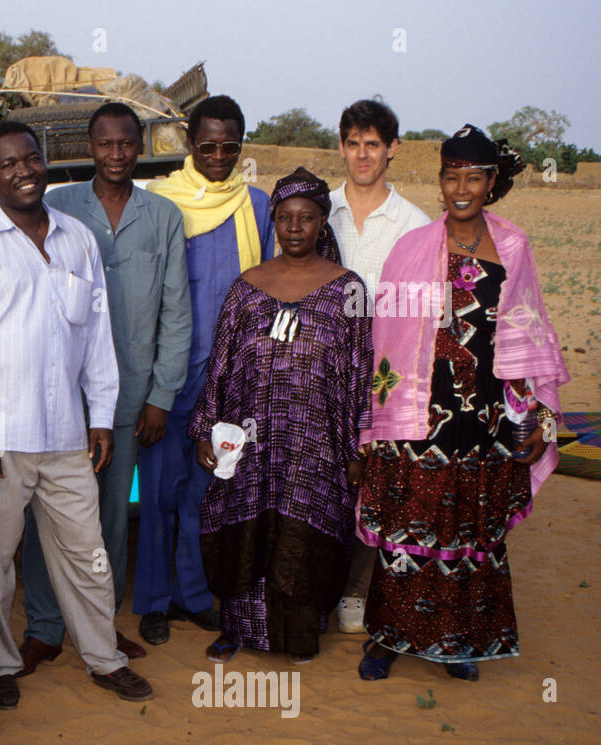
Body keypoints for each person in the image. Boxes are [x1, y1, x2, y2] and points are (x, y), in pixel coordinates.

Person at [0, 120, 154, 709]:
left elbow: (96, 338)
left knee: (86, 551)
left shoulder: (78, 239)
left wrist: (102, 416)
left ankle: (104, 658)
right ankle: (0, 663)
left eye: (30, 158)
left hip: (66, 436)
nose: (23, 171)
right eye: (8, 164)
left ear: (44, 162)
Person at [357, 124, 569, 682]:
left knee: (471, 529)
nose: (460, 188)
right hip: (420, 409)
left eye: (473, 177)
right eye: (451, 176)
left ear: (491, 182)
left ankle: (460, 641)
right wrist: (380, 416)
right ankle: (386, 638)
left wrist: (539, 418)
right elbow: (388, 337)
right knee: (410, 520)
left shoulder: (514, 246)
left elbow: (531, 333)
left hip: (489, 414)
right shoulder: (412, 247)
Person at [18, 102, 191, 675]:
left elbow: (176, 312)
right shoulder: (59, 206)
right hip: (59, 400)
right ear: (88, 148)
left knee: (112, 520)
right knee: (48, 520)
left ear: (138, 146)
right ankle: (44, 627)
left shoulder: (162, 216)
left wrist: (161, 395)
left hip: (127, 400)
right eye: (105, 144)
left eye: (125, 144)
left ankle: (101, 624)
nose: (116, 154)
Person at [190, 168, 371, 663]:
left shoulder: (346, 290)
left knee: (303, 535)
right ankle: (235, 627)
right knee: (244, 529)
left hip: (316, 446)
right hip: (249, 445)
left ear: (321, 222)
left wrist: (358, 448)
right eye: (286, 218)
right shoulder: (248, 287)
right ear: (274, 220)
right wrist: (206, 429)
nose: (295, 228)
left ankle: (299, 636)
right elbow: (221, 366)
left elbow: (359, 376)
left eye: (306, 218)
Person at [140, 96, 275, 644]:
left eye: (230, 146)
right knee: (156, 493)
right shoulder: (162, 203)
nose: (218, 156)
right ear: (189, 145)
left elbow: (268, 289)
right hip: (167, 379)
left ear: (242, 147)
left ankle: (191, 597)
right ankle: (151, 600)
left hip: (229, 382)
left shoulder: (258, 206)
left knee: (204, 491)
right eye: (207, 146)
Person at [327, 98, 431, 634]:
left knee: (372, 478)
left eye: (373, 144)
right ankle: (318, 583)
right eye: (353, 143)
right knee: (321, 477)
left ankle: (356, 590)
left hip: (384, 378)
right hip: (320, 373)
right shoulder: (317, 210)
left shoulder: (414, 224)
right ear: (341, 147)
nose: (362, 154)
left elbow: (420, 316)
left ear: (392, 149)